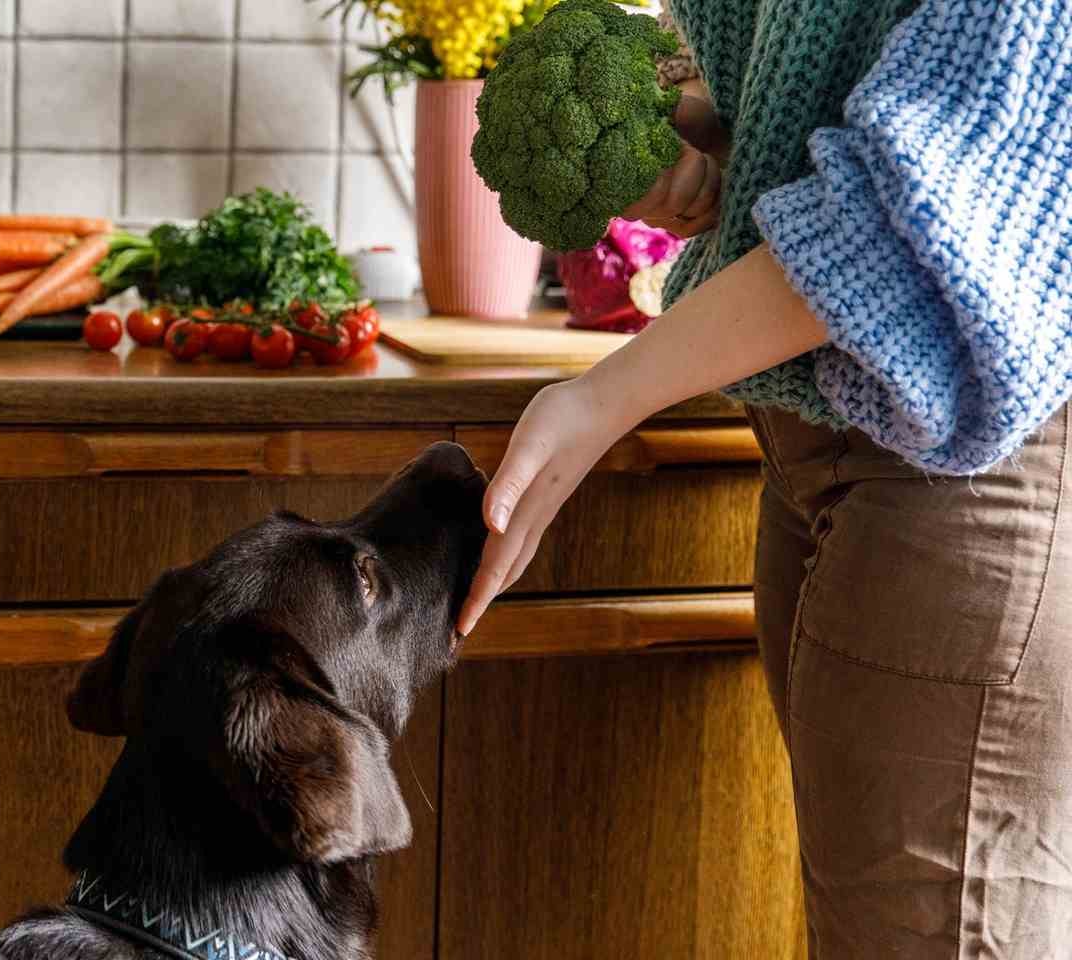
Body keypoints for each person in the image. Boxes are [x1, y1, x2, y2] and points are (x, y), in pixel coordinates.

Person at [455, 0, 1072, 955]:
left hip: (966, 458)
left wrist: (604, 397)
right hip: (808, 436)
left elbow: (912, 218)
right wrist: (706, 141)